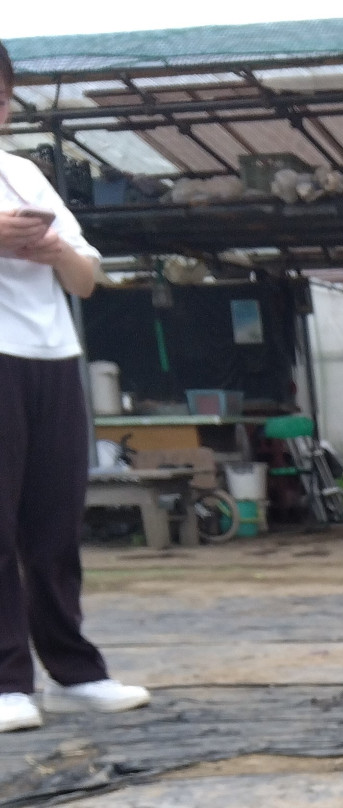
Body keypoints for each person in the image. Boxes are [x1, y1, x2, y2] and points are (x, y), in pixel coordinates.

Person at [0, 39, 150, 733]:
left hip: (52, 354)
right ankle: (6, 681)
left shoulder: (25, 173)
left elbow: (87, 279)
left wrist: (54, 247)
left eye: (1, 95)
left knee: (54, 521)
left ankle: (76, 671)